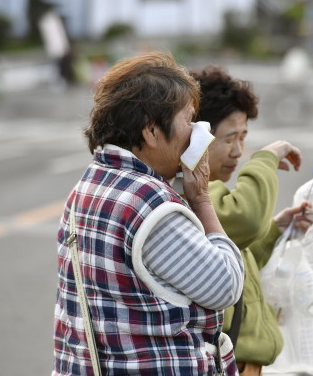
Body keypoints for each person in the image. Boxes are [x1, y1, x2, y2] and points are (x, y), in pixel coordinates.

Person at [53, 52, 244, 375]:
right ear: (151, 131)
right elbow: (225, 286)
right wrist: (200, 199)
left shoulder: (89, 184)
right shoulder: (149, 202)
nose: (199, 132)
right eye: (189, 119)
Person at [191, 65, 313, 376]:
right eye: (230, 138)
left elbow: (233, 261)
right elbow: (244, 219)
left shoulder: (210, 191)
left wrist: (273, 232)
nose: (239, 151)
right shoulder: (196, 193)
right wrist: (266, 159)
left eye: (244, 138)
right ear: (196, 135)